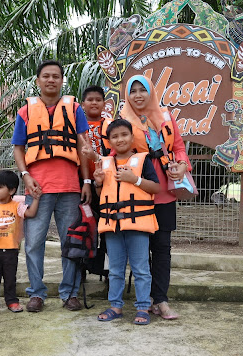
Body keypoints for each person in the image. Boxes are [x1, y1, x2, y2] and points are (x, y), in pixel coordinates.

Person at [11, 60, 93, 313]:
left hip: (70, 187)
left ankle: (70, 293)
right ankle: (36, 293)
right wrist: (25, 175)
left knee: (71, 242)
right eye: (46, 76)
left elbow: (83, 147)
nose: (51, 80)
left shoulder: (74, 108)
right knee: (34, 243)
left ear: (62, 80)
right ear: (38, 81)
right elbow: (18, 148)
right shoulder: (25, 111)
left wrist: (86, 181)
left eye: (56, 76)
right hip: (37, 188)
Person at [119, 75, 192, 320]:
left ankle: (160, 300)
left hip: (165, 193)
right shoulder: (122, 121)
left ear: (151, 92)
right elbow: (115, 152)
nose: (138, 95)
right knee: (140, 249)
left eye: (143, 90)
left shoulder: (166, 116)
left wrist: (182, 166)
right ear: (127, 95)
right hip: (137, 192)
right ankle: (145, 299)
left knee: (162, 248)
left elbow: (178, 147)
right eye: (133, 91)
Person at [93, 119, 160, 325]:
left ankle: (143, 308)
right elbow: (101, 195)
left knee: (141, 269)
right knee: (115, 269)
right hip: (113, 226)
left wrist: (135, 179)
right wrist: (98, 183)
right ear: (109, 141)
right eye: (114, 136)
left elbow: (156, 188)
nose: (120, 139)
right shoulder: (105, 163)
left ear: (132, 137)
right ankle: (115, 306)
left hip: (137, 225)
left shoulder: (143, 160)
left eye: (124, 135)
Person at [0, 170, 40, 316]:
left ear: (12, 190)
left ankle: (12, 301)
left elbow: (31, 213)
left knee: (10, 278)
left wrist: (36, 199)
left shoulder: (16, 206)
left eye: (0, 187)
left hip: (11, 250)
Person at [80, 85, 112, 280]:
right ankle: (81, 269)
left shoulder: (111, 126)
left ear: (104, 104)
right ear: (82, 104)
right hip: (82, 183)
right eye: (90, 99)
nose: (94, 103)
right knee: (85, 226)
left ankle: (108, 272)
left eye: (98, 100)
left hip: (106, 183)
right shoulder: (77, 126)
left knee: (108, 229)